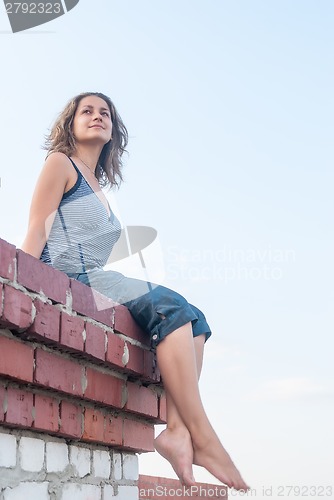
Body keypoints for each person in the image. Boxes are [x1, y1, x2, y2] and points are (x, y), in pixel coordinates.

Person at [21, 92, 249, 491]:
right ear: (70, 123)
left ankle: (177, 430)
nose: (96, 116)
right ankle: (203, 436)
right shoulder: (61, 163)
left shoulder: (100, 188)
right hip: (72, 276)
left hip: (95, 276)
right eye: (86, 111)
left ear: (113, 129)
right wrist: (21, 283)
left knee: (196, 321)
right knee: (171, 308)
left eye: (104, 112)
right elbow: (38, 229)